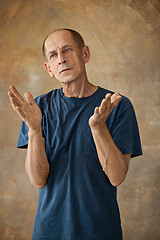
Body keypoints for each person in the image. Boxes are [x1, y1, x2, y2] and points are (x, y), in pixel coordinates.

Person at [8, 28, 142, 240]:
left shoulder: (116, 105)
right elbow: (38, 180)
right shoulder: (37, 109)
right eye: (53, 55)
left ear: (85, 54)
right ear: (49, 68)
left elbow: (117, 177)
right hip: (49, 232)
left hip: (99, 232)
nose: (61, 59)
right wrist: (34, 130)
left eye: (67, 50)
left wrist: (99, 128)